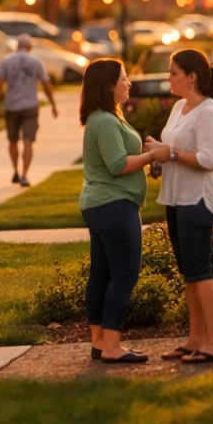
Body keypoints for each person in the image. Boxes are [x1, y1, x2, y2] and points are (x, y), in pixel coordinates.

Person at [144, 48, 213, 363]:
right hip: (176, 199)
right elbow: (173, 148)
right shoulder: (180, 107)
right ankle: (195, 339)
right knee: (189, 273)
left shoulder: (208, 112)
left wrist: (172, 154)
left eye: (174, 73)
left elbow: (207, 160)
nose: (169, 78)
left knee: (199, 271)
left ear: (191, 77)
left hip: (198, 201)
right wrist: (158, 157)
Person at [78, 58, 163, 364]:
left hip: (103, 205)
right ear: (108, 84)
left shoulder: (107, 117)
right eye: (124, 78)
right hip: (114, 205)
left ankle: (100, 343)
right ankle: (112, 347)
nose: (129, 83)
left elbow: (121, 157)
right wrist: (153, 154)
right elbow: (117, 165)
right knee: (124, 275)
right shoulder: (103, 120)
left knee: (101, 276)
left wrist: (146, 158)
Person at [0, 33, 59, 186]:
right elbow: (46, 85)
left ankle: (15, 171)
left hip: (11, 106)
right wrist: (53, 104)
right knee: (28, 141)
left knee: (12, 140)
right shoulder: (36, 62)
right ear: (30, 47)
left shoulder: (6, 61)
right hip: (30, 106)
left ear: (17, 46)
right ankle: (24, 175)